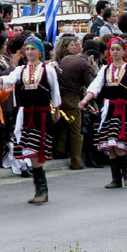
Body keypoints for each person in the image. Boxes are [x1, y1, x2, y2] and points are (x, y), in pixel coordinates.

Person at [0, 37, 62, 203]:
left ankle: (41, 190)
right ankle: (41, 189)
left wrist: (57, 111)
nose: (30, 52)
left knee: (35, 151)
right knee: (30, 151)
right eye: (27, 49)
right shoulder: (21, 70)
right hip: (26, 115)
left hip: (42, 115)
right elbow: (9, 79)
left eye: (33, 49)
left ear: (40, 52)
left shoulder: (48, 69)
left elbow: (55, 91)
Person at [78, 37, 127, 189]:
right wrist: (85, 100)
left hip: (123, 110)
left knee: (119, 144)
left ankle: (126, 172)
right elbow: (95, 86)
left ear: (124, 51)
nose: (115, 52)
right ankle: (116, 178)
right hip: (109, 109)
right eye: (112, 49)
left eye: (118, 49)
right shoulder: (105, 69)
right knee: (110, 144)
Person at [55, 36, 95, 170]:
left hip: (59, 98)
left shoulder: (63, 60)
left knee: (63, 126)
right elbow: (90, 84)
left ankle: (59, 151)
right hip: (73, 98)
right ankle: (76, 162)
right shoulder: (83, 63)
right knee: (76, 132)